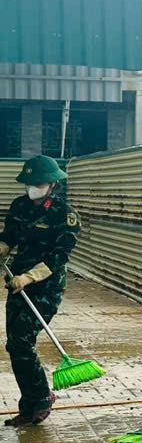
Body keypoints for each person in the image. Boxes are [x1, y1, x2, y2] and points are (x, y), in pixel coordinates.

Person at [0, 156, 79, 427]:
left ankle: (42, 398)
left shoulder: (64, 214)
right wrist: (2, 249)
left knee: (22, 339)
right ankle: (29, 405)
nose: (33, 187)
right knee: (15, 345)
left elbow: (60, 256)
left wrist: (31, 276)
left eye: (39, 183)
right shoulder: (19, 206)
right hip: (17, 282)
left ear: (52, 184)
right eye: (30, 183)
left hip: (46, 286)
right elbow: (9, 236)